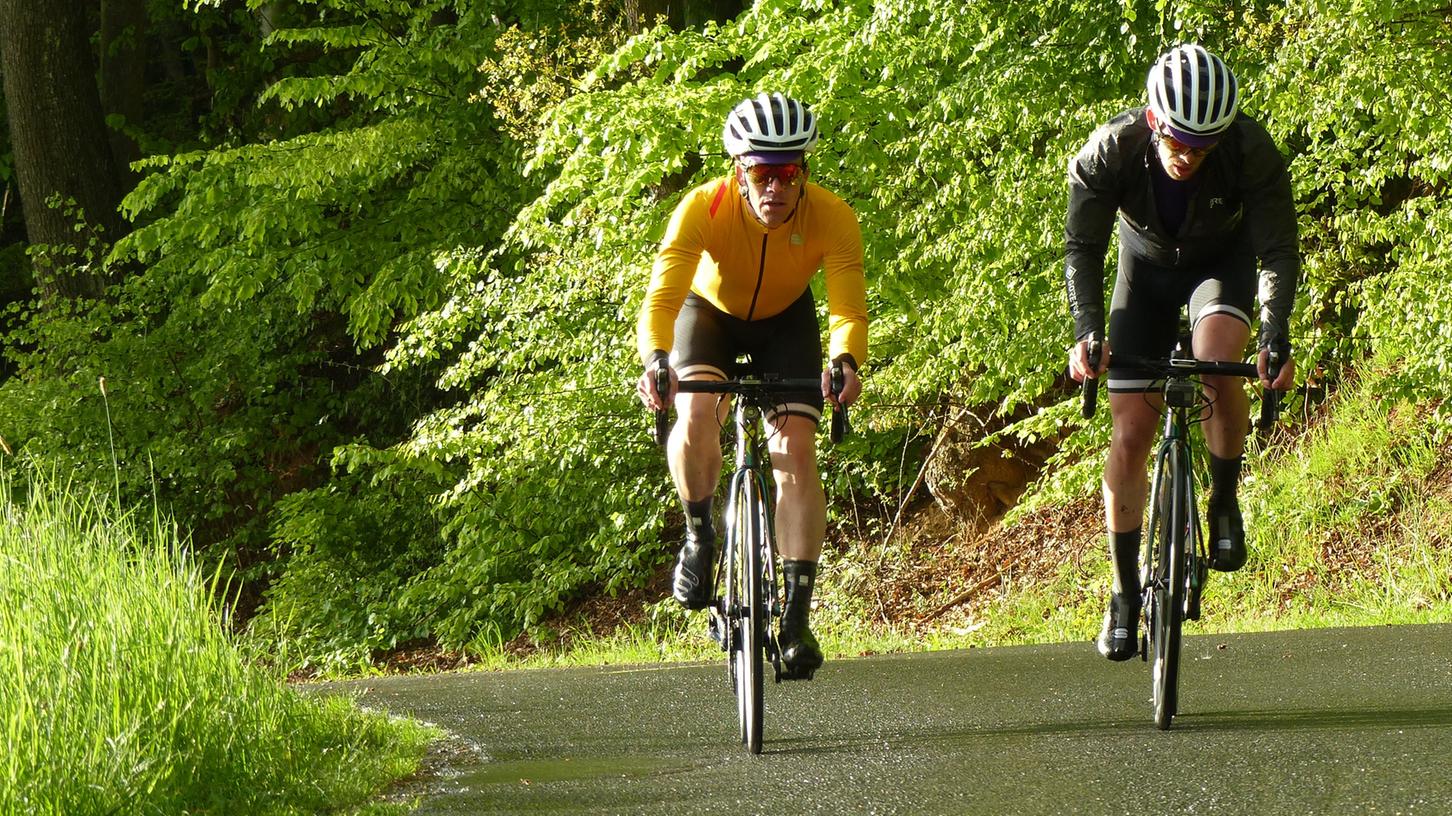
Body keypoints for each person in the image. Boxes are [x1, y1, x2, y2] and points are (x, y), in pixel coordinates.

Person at [1063, 45, 1298, 661]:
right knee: (1131, 431)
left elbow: (1276, 251)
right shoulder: (1107, 152)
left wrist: (1275, 333)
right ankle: (1122, 591)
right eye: (1177, 141)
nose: (1188, 156)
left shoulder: (1252, 151)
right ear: (1151, 120)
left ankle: (1222, 500)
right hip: (1141, 272)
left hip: (1219, 266)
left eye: (1204, 145)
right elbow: (1081, 250)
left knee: (1220, 364)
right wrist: (1088, 330)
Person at [635, 92, 867, 678]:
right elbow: (662, 297)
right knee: (695, 413)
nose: (775, 187)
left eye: (788, 173)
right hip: (707, 314)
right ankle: (699, 533)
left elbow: (847, 311)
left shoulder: (832, 216)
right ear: (739, 173)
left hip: (786, 320)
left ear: (804, 174)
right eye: (762, 173)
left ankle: (795, 615)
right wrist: (657, 359)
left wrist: (846, 361)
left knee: (795, 451)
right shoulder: (702, 208)